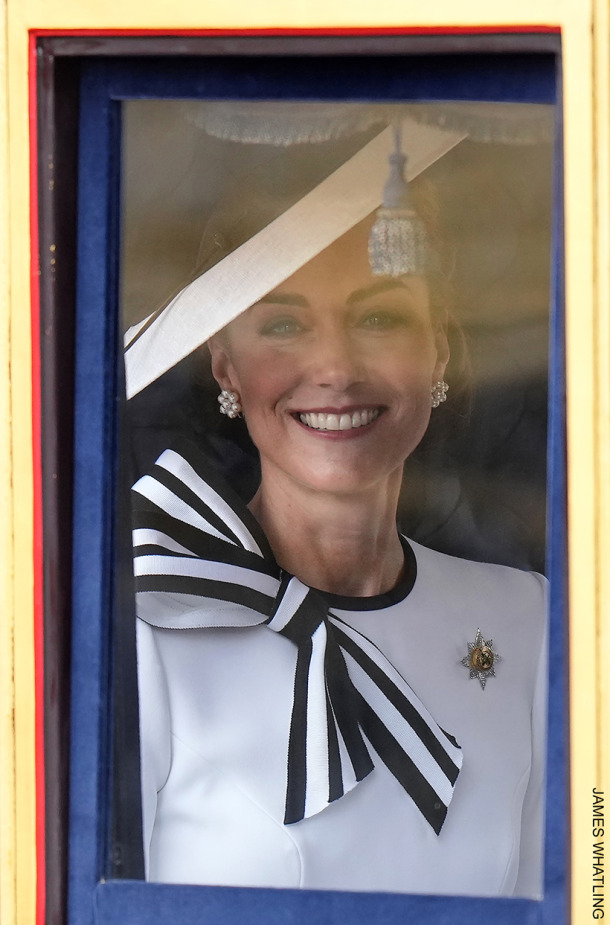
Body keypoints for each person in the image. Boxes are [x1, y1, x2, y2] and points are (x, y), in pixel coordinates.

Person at [127, 114, 547, 898]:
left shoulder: (528, 619)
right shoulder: (152, 625)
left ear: (441, 347)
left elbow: (576, 891)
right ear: (226, 365)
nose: (334, 367)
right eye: (283, 324)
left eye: (380, 316)